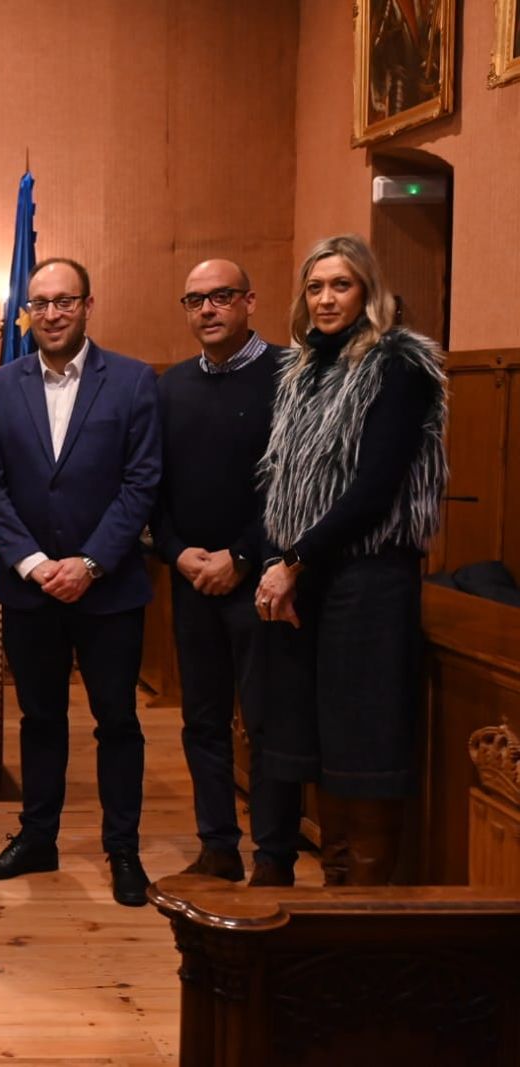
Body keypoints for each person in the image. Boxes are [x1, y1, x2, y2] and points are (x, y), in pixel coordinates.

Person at [255, 234, 447, 886]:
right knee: (319, 744)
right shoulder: (306, 368)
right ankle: (335, 897)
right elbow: (282, 479)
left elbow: (372, 488)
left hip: (369, 578)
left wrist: (295, 558)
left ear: (369, 290)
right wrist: (284, 560)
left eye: (341, 284)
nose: (327, 298)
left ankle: (364, 907)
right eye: (316, 286)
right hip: (311, 575)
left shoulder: (398, 365)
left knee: (364, 746)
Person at [0, 257, 161, 907]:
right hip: (30, 589)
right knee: (40, 718)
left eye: (64, 301)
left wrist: (89, 562)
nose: (51, 313)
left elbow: (142, 483)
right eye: (40, 303)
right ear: (27, 311)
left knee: (117, 722)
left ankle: (123, 849)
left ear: (87, 305)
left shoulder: (133, 382)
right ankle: (38, 838)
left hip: (108, 589)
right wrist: (30, 562)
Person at [156, 260, 304, 886]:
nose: (207, 310)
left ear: (249, 300)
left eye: (220, 297)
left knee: (269, 720)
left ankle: (274, 856)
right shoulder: (172, 386)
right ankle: (218, 845)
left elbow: (295, 488)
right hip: (192, 579)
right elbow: (150, 485)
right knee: (203, 720)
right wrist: (176, 551)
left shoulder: (291, 377)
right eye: (195, 300)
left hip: (264, 579)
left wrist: (242, 557)